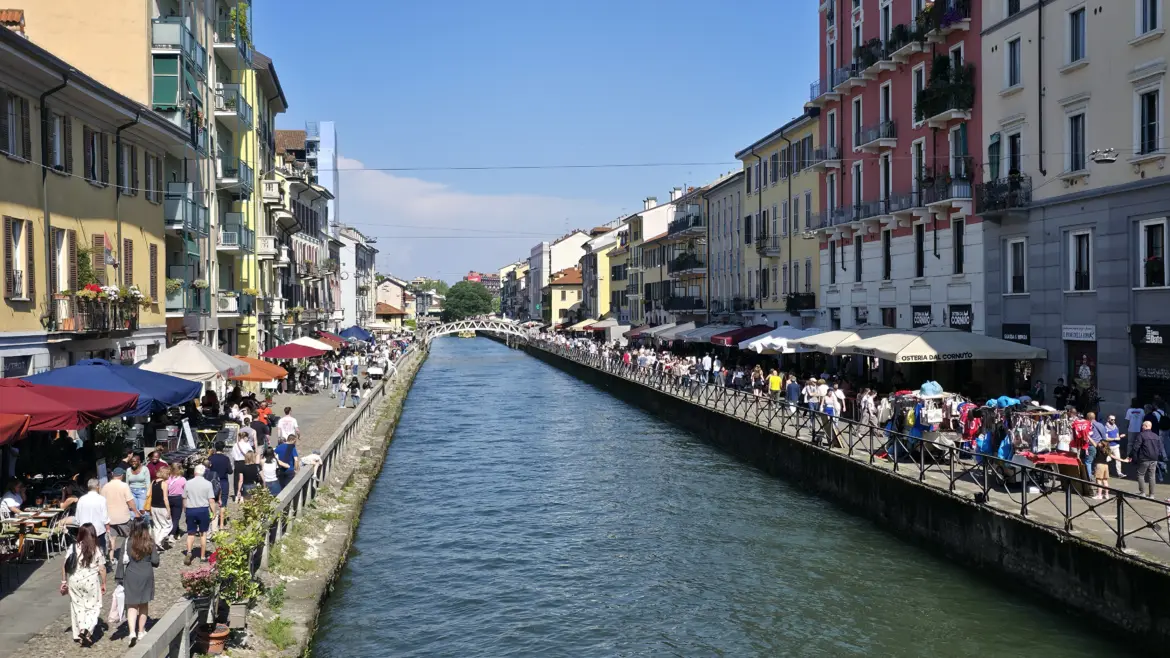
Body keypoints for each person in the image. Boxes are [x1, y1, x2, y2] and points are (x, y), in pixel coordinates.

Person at [62, 523, 106, 647]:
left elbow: (65, 565)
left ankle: (80, 632)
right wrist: (104, 583)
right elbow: (102, 568)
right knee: (94, 606)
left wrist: (64, 581)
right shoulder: (96, 549)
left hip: (75, 580)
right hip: (91, 581)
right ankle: (86, 629)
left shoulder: (73, 547)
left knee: (78, 607)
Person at [117, 520, 159, 647]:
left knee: (131, 605)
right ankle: (141, 631)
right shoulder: (150, 542)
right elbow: (155, 561)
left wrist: (119, 579)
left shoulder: (127, 542)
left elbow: (120, 562)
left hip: (131, 575)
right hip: (146, 574)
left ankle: (132, 633)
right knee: (143, 604)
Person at [182, 464, 218, 565]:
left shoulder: (188, 483)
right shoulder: (208, 484)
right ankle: (202, 556)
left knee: (191, 533)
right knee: (203, 533)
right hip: (203, 510)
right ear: (204, 473)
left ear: (195, 472)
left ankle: (189, 552)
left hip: (191, 509)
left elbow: (184, 497)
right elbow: (211, 500)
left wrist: (185, 509)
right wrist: (214, 512)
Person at [102, 468, 139, 555]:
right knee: (130, 536)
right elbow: (130, 501)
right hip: (123, 517)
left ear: (112, 474)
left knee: (112, 539)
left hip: (109, 518)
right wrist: (136, 512)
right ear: (122, 475)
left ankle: (111, 558)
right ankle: (133, 554)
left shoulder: (105, 487)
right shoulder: (124, 486)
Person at [1130, 421, 1166, 498]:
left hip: (1144, 458)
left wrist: (1132, 457)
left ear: (1146, 426)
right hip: (1154, 459)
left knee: (1140, 474)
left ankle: (1142, 492)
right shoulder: (1156, 436)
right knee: (1152, 476)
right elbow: (1160, 448)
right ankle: (1152, 494)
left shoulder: (1141, 435)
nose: (1142, 427)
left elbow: (1136, 447)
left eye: (1143, 426)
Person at [75, 479, 111, 554]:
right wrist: (108, 530)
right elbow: (105, 518)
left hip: (85, 531)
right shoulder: (101, 499)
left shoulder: (81, 499)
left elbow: (77, 519)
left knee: (85, 553)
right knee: (100, 553)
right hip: (98, 531)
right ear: (97, 487)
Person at [147, 466, 171, 549]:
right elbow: (165, 498)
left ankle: (157, 543)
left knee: (157, 526)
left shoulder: (153, 482)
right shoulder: (164, 484)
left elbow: (148, 494)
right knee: (168, 525)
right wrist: (169, 510)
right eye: (168, 474)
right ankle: (158, 541)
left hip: (153, 506)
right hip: (162, 507)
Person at [209, 440, 233, 521]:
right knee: (223, 502)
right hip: (223, 481)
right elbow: (230, 471)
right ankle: (222, 523)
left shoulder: (210, 458)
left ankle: (212, 520)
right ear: (223, 448)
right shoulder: (226, 459)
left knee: (211, 501)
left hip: (212, 482)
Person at [166, 467, 186, 540]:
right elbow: (186, 490)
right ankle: (172, 534)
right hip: (178, 498)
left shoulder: (168, 479)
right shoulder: (183, 479)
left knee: (171, 517)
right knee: (176, 518)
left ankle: (176, 532)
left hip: (169, 498)